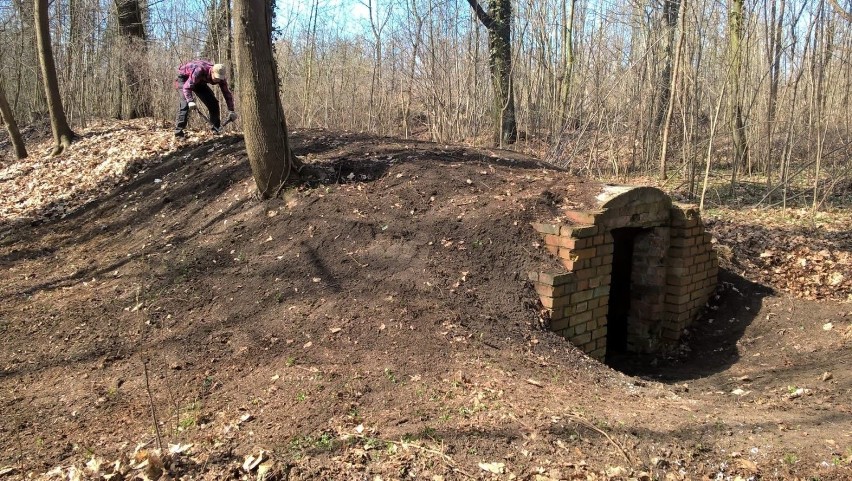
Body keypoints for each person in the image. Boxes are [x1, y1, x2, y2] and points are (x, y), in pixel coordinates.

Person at [174, 60, 237, 137]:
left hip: (200, 81)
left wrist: (231, 110)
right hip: (184, 78)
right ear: (212, 72)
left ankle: (215, 130)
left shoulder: (221, 78)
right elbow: (186, 87)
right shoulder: (199, 71)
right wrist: (190, 101)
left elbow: (226, 93)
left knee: (213, 103)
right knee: (185, 104)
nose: (217, 80)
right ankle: (178, 132)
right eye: (216, 77)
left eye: (219, 78)